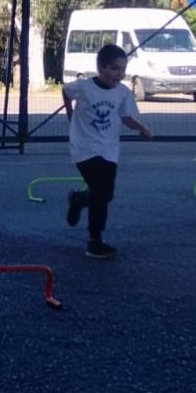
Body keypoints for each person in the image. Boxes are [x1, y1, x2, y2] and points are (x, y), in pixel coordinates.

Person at [63, 43, 152, 258]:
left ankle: (79, 199)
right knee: (101, 191)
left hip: (109, 150)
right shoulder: (84, 87)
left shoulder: (122, 93)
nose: (118, 74)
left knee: (105, 194)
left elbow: (126, 117)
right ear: (101, 68)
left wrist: (141, 127)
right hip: (84, 147)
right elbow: (66, 91)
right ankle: (95, 241)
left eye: (122, 69)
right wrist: (70, 114)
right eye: (113, 68)